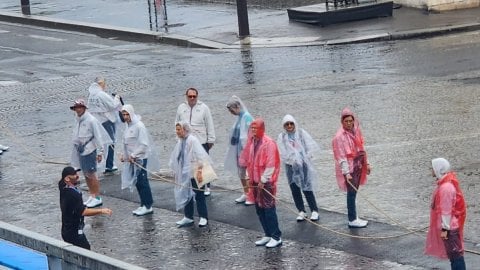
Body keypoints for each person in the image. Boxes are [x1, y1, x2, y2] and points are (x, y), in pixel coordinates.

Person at [239, 118, 282, 248]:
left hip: (265, 182)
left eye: (255, 128)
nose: (253, 130)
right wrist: (248, 175)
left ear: (261, 129)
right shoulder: (252, 141)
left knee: (269, 209)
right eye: (252, 128)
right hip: (255, 181)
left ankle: (276, 236)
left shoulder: (269, 143)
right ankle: (267, 234)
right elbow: (249, 161)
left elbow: (271, 164)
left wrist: (263, 179)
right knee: (259, 208)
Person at [332, 108, 371, 228]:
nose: (349, 123)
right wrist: (346, 173)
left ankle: (354, 216)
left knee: (354, 192)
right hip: (349, 168)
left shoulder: (356, 131)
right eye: (346, 121)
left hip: (358, 165)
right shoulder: (339, 137)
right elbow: (341, 156)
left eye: (350, 121)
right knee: (351, 192)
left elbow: (362, 148)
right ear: (342, 122)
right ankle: (352, 219)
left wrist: (367, 164)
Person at [425, 158, 467, 270]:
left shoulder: (445, 188)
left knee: (455, 256)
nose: (431, 170)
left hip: (449, 228)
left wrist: (445, 231)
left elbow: (446, 211)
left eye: (433, 167)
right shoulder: (445, 184)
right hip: (449, 227)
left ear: (439, 169)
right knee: (454, 255)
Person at [277, 114, 320, 222]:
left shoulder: (301, 133)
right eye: (287, 124)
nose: (289, 126)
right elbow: (281, 152)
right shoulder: (282, 137)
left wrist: (305, 157)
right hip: (290, 167)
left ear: (294, 123)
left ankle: (314, 210)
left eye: (291, 123)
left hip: (303, 164)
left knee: (307, 187)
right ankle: (301, 210)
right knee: (294, 188)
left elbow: (311, 146)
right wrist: (291, 161)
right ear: (284, 126)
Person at [70, 99, 112, 208]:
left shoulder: (91, 120)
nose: (78, 110)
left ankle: (97, 197)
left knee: (92, 174)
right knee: (86, 174)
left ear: (84, 108)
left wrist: (100, 152)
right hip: (81, 150)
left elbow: (99, 136)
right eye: (76, 108)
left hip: (90, 150)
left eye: (79, 107)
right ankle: (92, 195)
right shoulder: (78, 119)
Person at [170, 121, 212, 228]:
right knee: (186, 193)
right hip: (185, 173)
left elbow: (201, 157)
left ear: (185, 129)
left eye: (179, 129)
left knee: (199, 195)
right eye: (177, 129)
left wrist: (199, 171)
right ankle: (188, 216)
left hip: (195, 172)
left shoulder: (192, 140)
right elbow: (177, 157)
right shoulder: (180, 142)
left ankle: (203, 217)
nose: (177, 131)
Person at [59, 166, 112, 250]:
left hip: (68, 230)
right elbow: (83, 212)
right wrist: (101, 210)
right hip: (74, 232)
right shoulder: (72, 194)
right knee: (85, 250)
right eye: (74, 174)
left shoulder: (65, 189)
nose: (77, 176)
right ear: (67, 179)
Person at [175, 87, 215, 196]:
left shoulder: (204, 108)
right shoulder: (181, 108)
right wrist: (178, 138)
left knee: (203, 163)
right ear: (186, 96)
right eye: (190, 96)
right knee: (189, 163)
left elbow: (209, 124)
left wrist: (211, 140)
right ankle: (193, 184)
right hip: (186, 141)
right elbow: (177, 123)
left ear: (197, 96)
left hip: (201, 140)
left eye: (194, 96)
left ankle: (207, 186)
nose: (192, 98)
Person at [120, 104, 157, 216]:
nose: (125, 117)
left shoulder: (139, 126)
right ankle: (143, 203)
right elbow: (126, 143)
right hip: (132, 159)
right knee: (137, 182)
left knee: (143, 181)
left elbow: (144, 144)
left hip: (140, 159)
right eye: (123, 114)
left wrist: (134, 155)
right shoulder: (128, 126)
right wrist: (124, 156)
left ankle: (148, 205)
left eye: (127, 114)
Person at [87, 76, 123, 175]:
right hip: (107, 120)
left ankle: (100, 165)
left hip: (96, 121)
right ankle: (109, 165)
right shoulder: (101, 94)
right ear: (100, 84)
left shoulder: (91, 95)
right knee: (111, 142)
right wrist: (117, 98)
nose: (104, 85)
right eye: (103, 84)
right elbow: (112, 105)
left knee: (100, 143)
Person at [224, 95, 254, 206]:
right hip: (238, 150)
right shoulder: (238, 118)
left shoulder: (247, 117)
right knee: (241, 172)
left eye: (232, 110)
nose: (231, 113)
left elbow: (252, 133)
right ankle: (246, 192)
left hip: (246, 150)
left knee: (249, 173)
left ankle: (252, 194)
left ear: (237, 107)